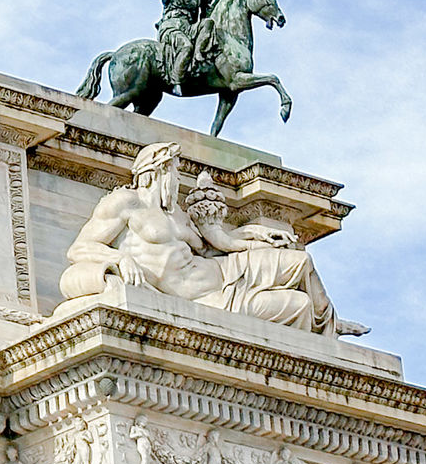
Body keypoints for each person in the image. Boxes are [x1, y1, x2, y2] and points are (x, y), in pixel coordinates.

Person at [60, 142, 337, 334]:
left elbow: (218, 245)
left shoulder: (177, 214)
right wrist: (118, 258)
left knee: (301, 262)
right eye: (174, 171)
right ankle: (323, 322)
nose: (177, 179)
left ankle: (331, 323)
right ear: (155, 173)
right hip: (209, 298)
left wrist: (258, 234)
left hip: (224, 271)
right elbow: (80, 249)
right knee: (298, 305)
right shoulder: (123, 203)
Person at [123, 0, 213, 88]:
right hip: (171, 27)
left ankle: (199, 54)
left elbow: (199, 19)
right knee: (186, 46)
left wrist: (205, 4)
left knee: (208, 23)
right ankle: (176, 80)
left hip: (188, 28)